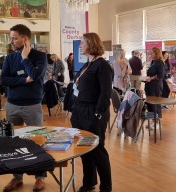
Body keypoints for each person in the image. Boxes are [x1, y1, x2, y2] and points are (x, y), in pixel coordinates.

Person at [0, 24, 47, 192]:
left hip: (32, 106)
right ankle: (16, 177)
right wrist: (22, 80)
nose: (11, 41)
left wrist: (25, 58)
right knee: (12, 143)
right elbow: (4, 79)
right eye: (11, 37)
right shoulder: (10, 58)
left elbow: (35, 75)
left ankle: (39, 177)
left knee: (37, 141)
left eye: (14, 38)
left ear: (25, 39)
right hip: (12, 105)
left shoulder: (40, 56)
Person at [71, 32, 112, 192]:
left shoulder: (102, 65)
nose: (80, 45)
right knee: (84, 149)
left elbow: (105, 92)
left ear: (91, 43)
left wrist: (98, 113)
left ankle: (106, 187)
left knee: (97, 150)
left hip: (93, 113)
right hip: (80, 111)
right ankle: (89, 182)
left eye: (82, 42)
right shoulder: (88, 64)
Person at [145, 47, 165, 122]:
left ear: (156, 54)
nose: (151, 54)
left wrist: (151, 78)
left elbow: (160, 75)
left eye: (152, 53)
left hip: (156, 86)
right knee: (150, 104)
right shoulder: (153, 62)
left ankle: (157, 122)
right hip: (150, 85)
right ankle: (153, 120)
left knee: (155, 104)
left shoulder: (160, 62)